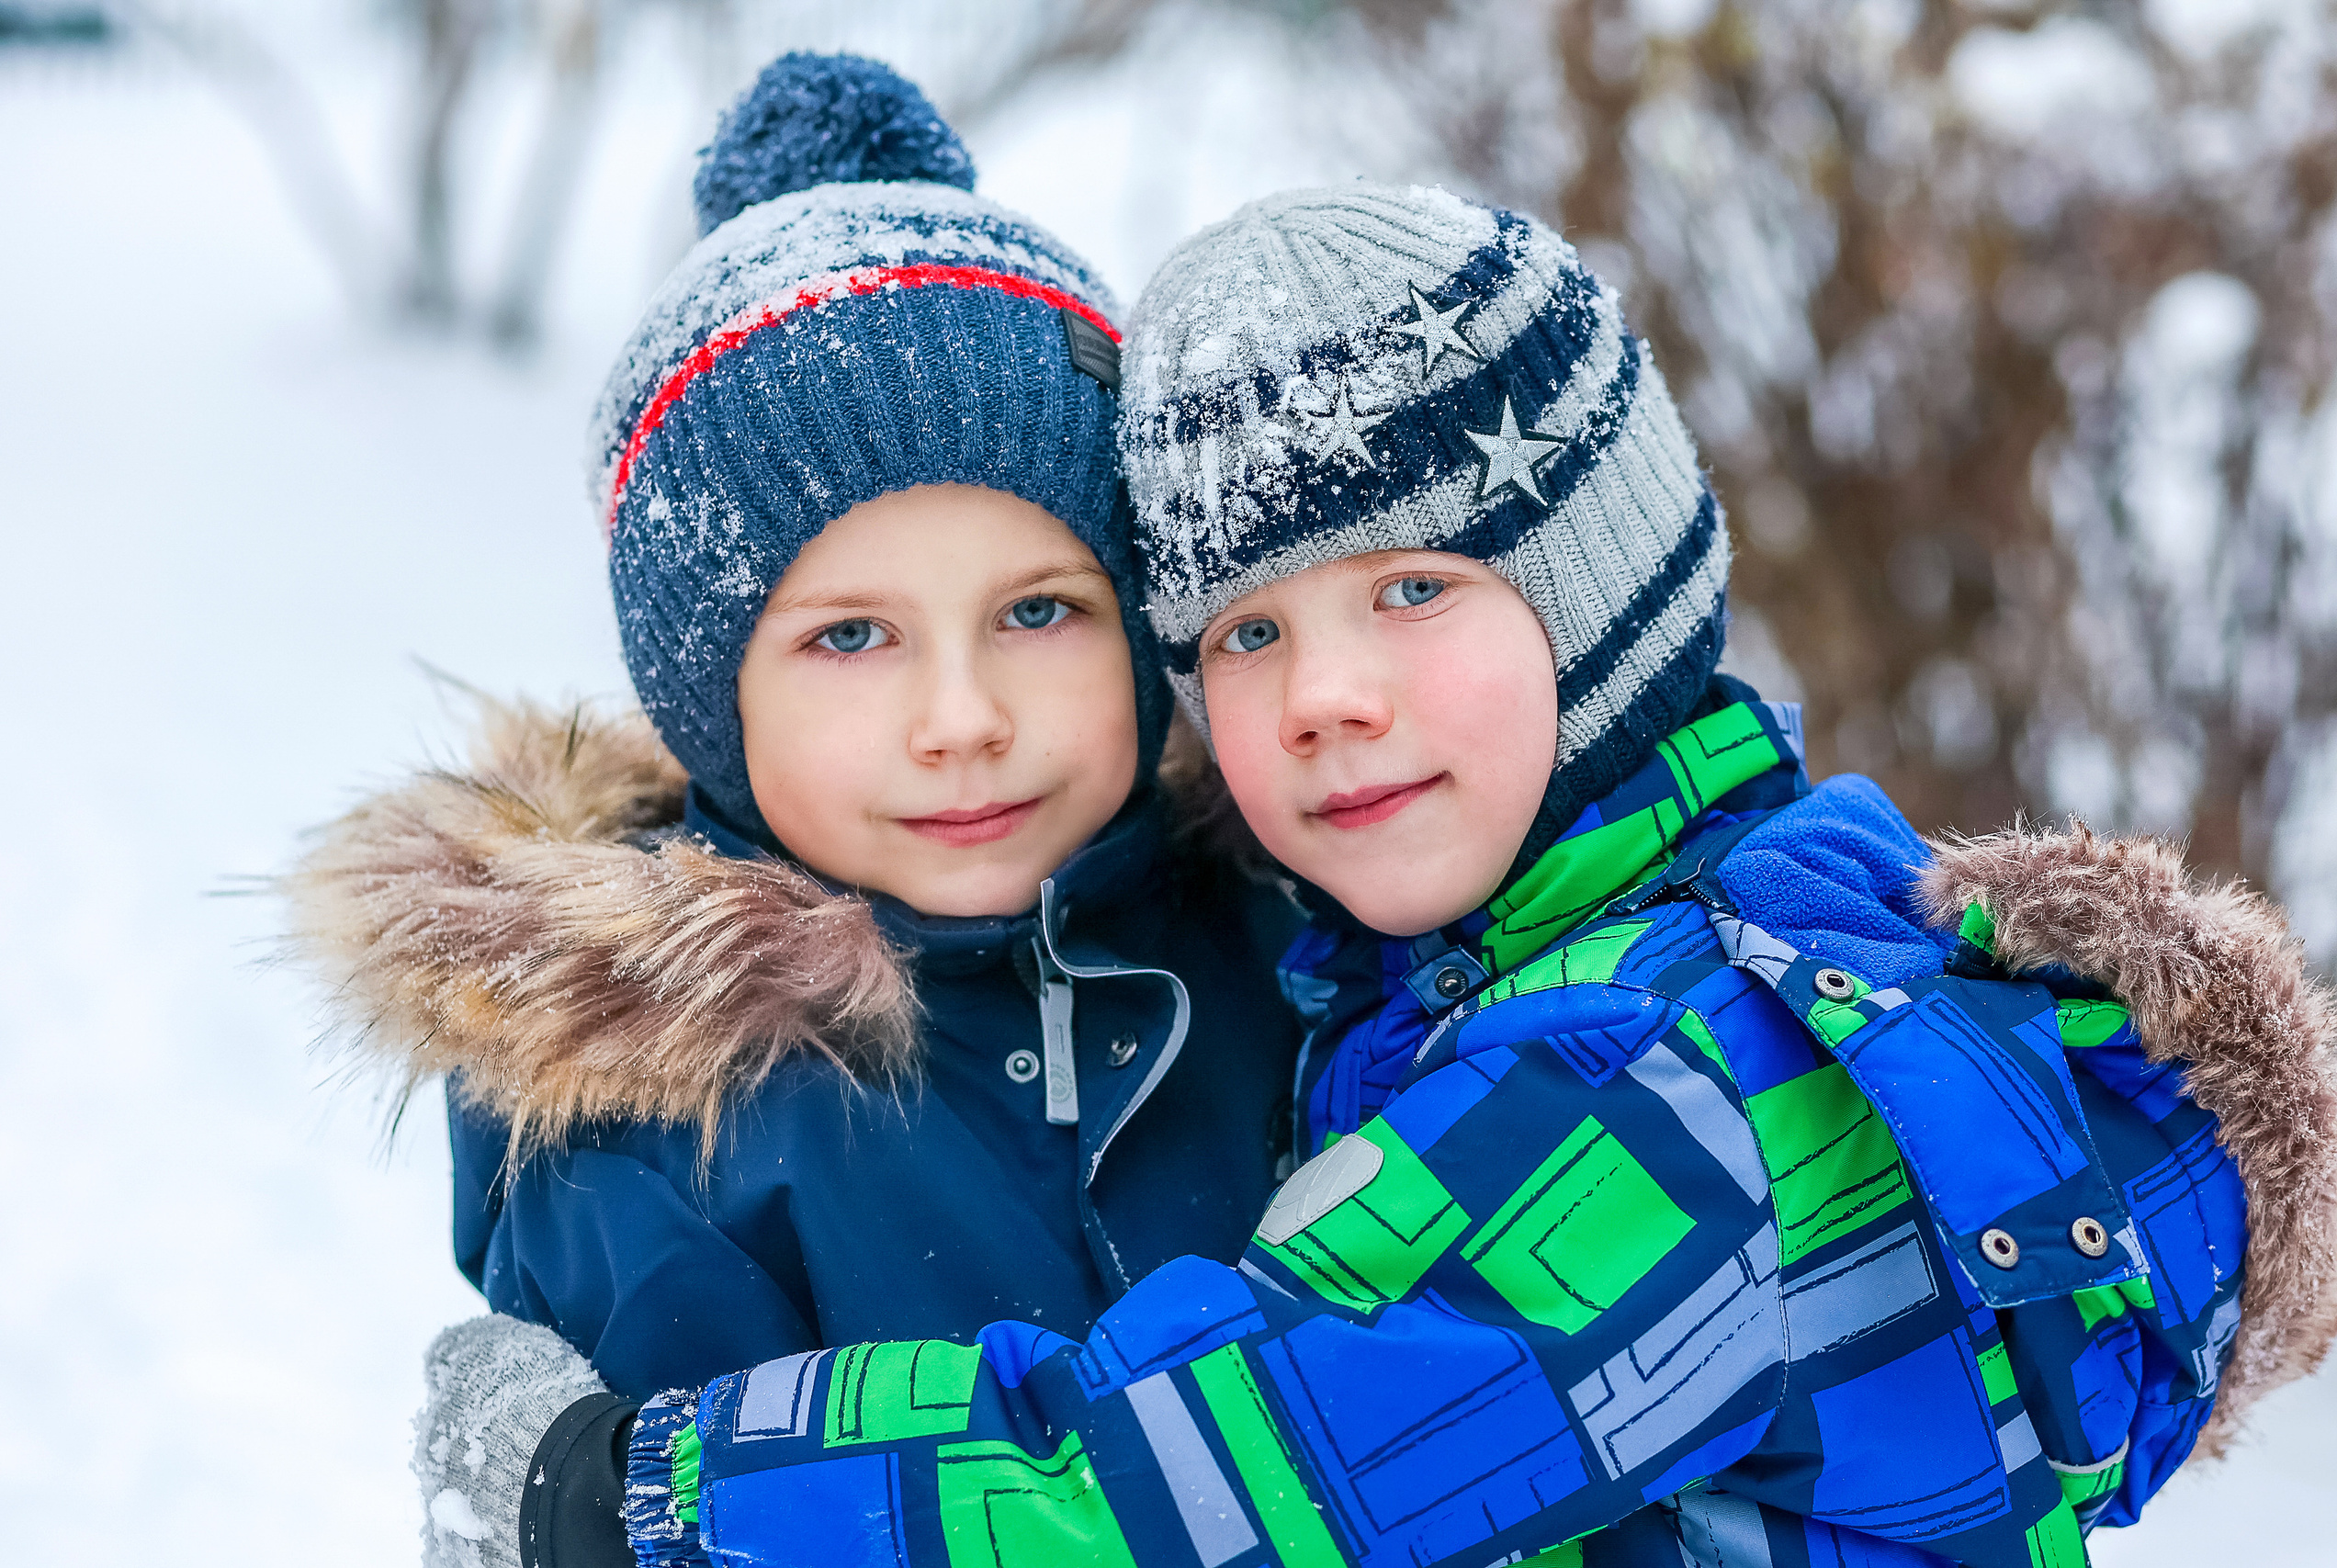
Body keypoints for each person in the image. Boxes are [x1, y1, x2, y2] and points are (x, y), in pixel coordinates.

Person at [596, 185, 2337, 1568]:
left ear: (1608, 605)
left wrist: (639, 1491)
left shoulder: (1669, 1075)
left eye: (1414, 589)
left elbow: (1178, 1486)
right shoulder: (1483, 972)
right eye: (1249, 632)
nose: (1326, 694)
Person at [281, 57, 1302, 1568]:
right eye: (851, 636)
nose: (963, 718)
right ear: (716, 705)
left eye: (1038, 611)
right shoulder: (654, 1133)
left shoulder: (1303, 942)